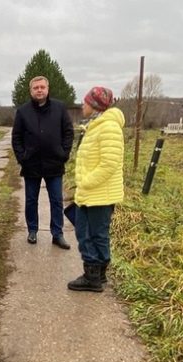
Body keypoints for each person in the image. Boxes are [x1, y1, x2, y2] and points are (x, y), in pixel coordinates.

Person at [67, 86, 125, 292]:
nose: (83, 106)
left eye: (85, 102)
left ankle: (93, 276)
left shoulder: (108, 127)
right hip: (91, 193)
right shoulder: (96, 125)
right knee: (88, 232)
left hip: (100, 194)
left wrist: (86, 182)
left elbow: (109, 164)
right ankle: (97, 275)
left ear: (95, 105)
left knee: (92, 233)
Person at [12, 75, 74, 249]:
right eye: (35, 88)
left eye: (42, 87)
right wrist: (21, 157)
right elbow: (16, 137)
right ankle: (32, 230)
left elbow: (68, 132)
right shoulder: (23, 111)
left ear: (47, 89)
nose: (39, 90)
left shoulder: (59, 108)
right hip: (31, 164)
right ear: (31, 91)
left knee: (56, 200)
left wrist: (64, 153)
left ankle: (58, 234)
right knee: (31, 200)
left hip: (54, 163)